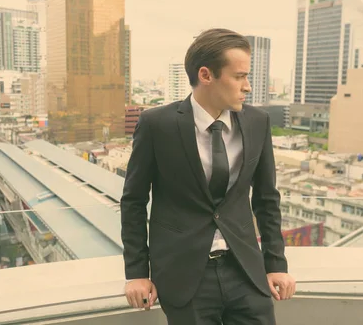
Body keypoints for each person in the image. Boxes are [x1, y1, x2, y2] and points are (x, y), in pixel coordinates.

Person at [120, 28, 296, 324]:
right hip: (185, 276)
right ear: (206, 75)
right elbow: (133, 201)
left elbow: (267, 199)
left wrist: (275, 263)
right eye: (239, 76)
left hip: (245, 272)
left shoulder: (257, 122)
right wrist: (137, 273)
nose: (248, 86)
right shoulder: (157, 124)